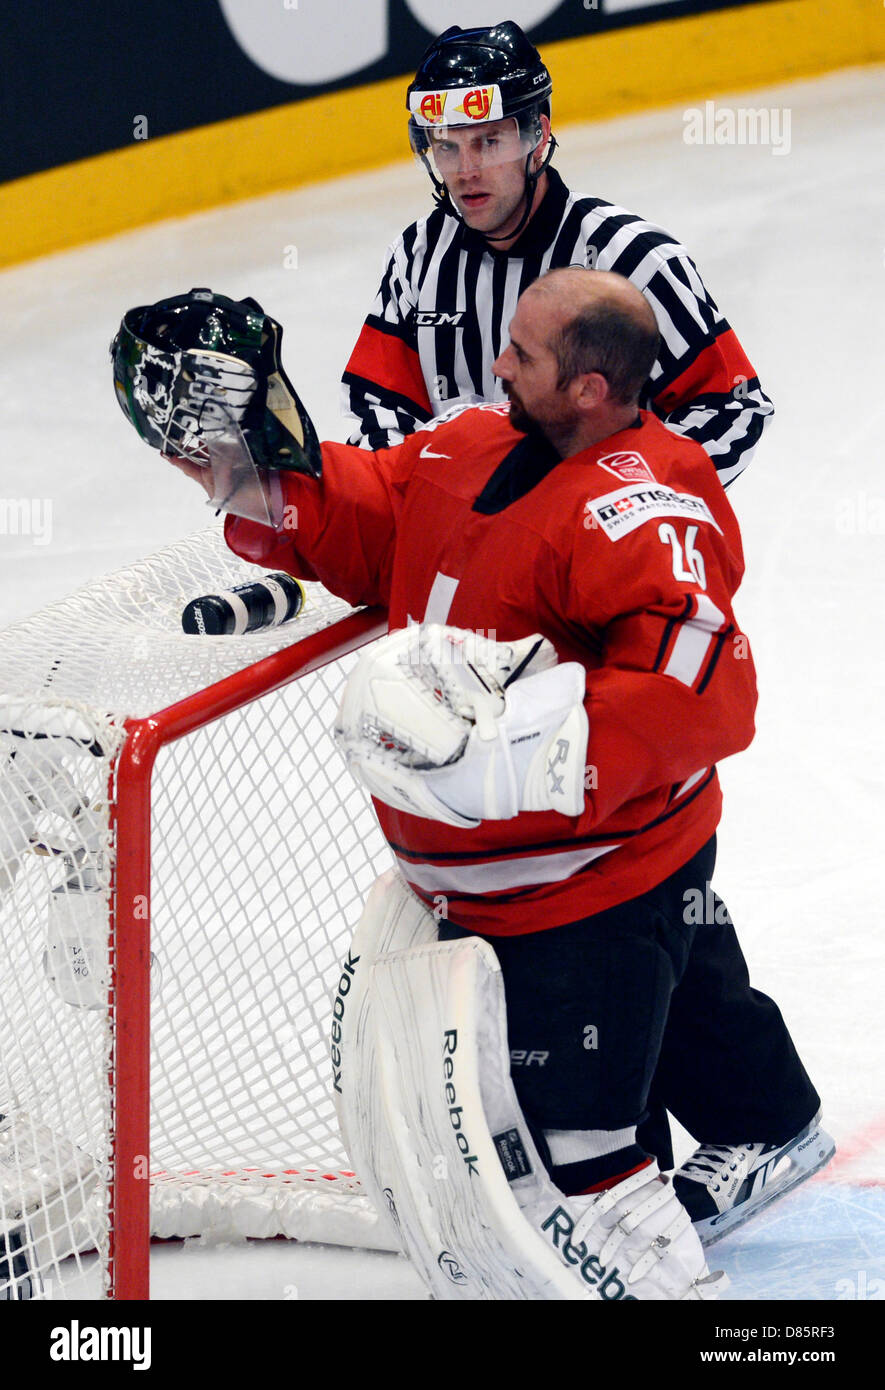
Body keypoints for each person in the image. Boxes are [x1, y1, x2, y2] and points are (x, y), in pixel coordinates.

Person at [111, 269, 831, 1292]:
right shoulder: (475, 442)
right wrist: (247, 458)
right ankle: (770, 1118)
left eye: (523, 355)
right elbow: (369, 516)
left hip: (589, 885)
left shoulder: (648, 504)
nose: (497, 364)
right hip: (525, 879)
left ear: (588, 387)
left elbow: (703, 689)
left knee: (570, 1187)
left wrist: (514, 755)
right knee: (693, 991)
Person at [342, 20, 772, 498]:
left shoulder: (631, 258)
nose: (466, 171)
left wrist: (617, 500)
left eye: (488, 141)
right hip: (467, 551)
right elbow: (377, 409)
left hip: (598, 549)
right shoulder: (418, 258)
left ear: (538, 137)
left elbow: (730, 409)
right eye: (447, 146)